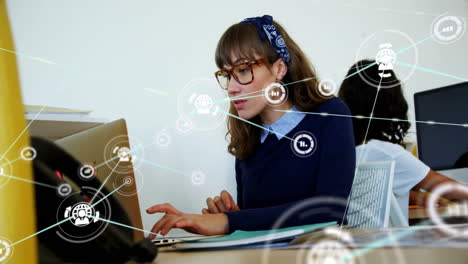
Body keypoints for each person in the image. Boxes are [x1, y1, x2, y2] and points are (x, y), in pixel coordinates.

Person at [146, 15, 356, 238]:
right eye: (227, 75)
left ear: (279, 69)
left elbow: (329, 212)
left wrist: (229, 221)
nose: (232, 88)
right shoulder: (248, 134)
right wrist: (236, 217)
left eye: (243, 71)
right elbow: (261, 222)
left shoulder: (330, 114)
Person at [338, 59, 468, 215]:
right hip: (393, 239)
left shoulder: (346, 152)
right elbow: (452, 191)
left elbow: (377, 194)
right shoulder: (386, 152)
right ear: (390, 102)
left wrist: (417, 198)